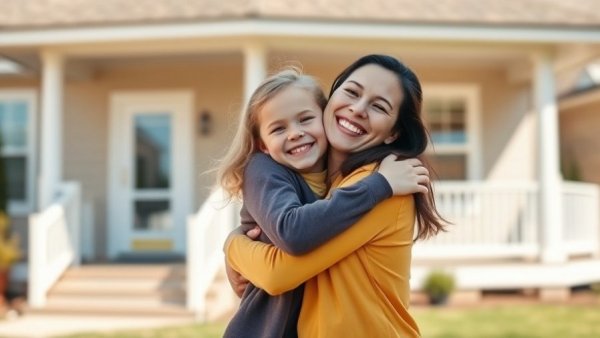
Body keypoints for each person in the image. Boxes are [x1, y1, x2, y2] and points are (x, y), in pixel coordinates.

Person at [225, 55, 447, 337]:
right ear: (331, 100)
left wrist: (233, 247)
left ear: (394, 133)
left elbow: (278, 274)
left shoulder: (385, 185)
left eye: (379, 106)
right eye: (352, 92)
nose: (357, 109)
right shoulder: (328, 186)